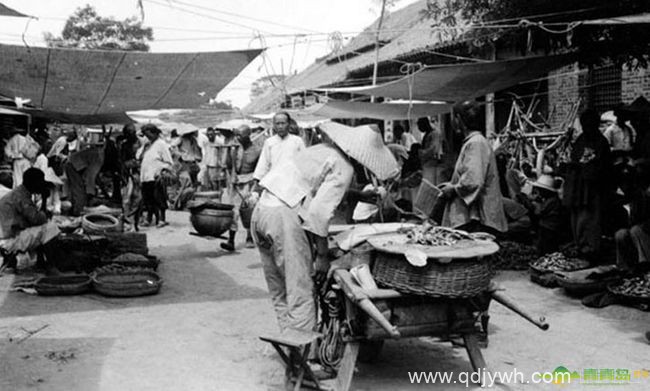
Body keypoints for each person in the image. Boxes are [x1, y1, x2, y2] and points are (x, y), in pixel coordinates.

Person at [251, 121, 398, 332]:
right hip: (283, 216)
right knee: (301, 289)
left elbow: (314, 186)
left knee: (279, 286)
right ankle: (302, 351)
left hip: (262, 211)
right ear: (362, 159)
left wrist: (358, 194)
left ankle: (288, 339)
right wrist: (322, 256)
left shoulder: (322, 150)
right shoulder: (345, 168)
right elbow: (318, 213)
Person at [438, 101, 507, 234]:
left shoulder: (476, 143)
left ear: (458, 120)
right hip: (474, 216)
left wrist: (453, 189)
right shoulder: (474, 142)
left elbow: (473, 181)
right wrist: (452, 184)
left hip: (478, 218)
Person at [562, 109, 613, 261]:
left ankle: (590, 251)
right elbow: (575, 159)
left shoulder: (601, 142)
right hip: (577, 187)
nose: (586, 128)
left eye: (589, 125)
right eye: (584, 125)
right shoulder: (581, 140)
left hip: (592, 189)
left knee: (590, 220)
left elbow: (604, 167)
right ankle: (580, 246)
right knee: (577, 220)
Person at [0, 168, 60, 274]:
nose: (42, 185)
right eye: (40, 182)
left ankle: (40, 262)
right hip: (10, 239)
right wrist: (45, 199)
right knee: (50, 228)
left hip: (7, 236)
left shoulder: (19, 192)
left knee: (39, 229)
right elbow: (37, 219)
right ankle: (52, 266)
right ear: (33, 183)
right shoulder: (21, 196)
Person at [220, 125, 262, 251]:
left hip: (249, 183)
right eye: (236, 135)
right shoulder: (234, 149)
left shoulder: (257, 150)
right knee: (234, 212)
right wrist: (227, 151)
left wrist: (256, 187)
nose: (237, 138)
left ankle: (249, 237)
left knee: (248, 211)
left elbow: (260, 170)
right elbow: (228, 165)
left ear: (248, 136)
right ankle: (231, 240)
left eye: (240, 135)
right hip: (236, 181)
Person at [137, 124, 174, 228]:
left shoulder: (161, 144)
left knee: (159, 198)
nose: (147, 137)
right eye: (145, 135)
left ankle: (162, 219)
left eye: (148, 134)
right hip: (146, 176)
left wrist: (162, 170)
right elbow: (138, 157)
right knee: (148, 199)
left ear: (154, 133)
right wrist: (144, 148)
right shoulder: (147, 145)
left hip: (156, 176)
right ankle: (149, 218)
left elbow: (169, 162)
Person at [252, 112, 305, 183]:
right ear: (274, 125)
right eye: (277, 124)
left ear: (288, 124)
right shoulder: (269, 142)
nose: (280, 126)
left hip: (293, 181)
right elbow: (263, 163)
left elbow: (304, 162)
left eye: (283, 123)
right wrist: (257, 179)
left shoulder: (297, 141)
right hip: (274, 182)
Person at [418, 117, 446, 185]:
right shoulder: (427, 134)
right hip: (427, 163)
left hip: (433, 163)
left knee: (430, 184)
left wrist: (421, 153)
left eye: (420, 126)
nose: (419, 128)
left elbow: (434, 149)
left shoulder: (434, 133)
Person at [199, 127, 223, 191]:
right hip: (208, 164)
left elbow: (222, 153)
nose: (210, 136)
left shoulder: (219, 142)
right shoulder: (206, 142)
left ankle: (216, 192)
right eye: (208, 135)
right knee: (210, 181)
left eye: (211, 134)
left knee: (216, 181)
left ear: (214, 134)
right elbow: (206, 153)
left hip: (216, 165)